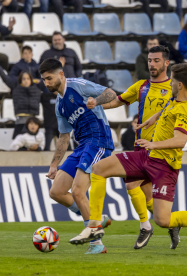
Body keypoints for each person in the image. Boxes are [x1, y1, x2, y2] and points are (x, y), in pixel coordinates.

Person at [69, 63, 187, 249]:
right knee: (99, 169)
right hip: (148, 157)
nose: (170, 82)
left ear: (180, 85)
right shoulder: (177, 97)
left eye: (173, 80)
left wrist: (154, 143)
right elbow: (167, 109)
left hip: (165, 167)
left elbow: (179, 140)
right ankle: (94, 226)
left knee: (163, 220)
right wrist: (153, 118)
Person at [101, 45, 187, 250]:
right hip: (141, 146)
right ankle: (168, 224)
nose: (152, 64)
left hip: (160, 152)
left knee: (131, 186)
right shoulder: (141, 86)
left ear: (166, 63)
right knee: (146, 197)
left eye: (156, 60)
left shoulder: (177, 88)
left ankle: (147, 226)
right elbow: (119, 101)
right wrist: (94, 105)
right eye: (149, 60)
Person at [39, 58, 117, 254]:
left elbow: (110, 93)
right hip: (82, 146)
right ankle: (96, 218)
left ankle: (96, 243)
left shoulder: (79, 86)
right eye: (44, 80)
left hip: (98, 140)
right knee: (56, 191)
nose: (46, 83)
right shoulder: (59, 105)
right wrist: (54, 164)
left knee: (78, 191)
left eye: (49, 78)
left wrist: (96, 101)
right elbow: (64, 136)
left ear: (61, 74)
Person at [0, 54, 42, 138]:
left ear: (31, 79)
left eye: (28, 78)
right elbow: (5, 78)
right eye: (23, 79)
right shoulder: (15, 86)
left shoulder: (37, 87)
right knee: (17, 143)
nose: (26, 81)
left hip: (33, 120)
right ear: (20, 80)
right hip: (20, 120)